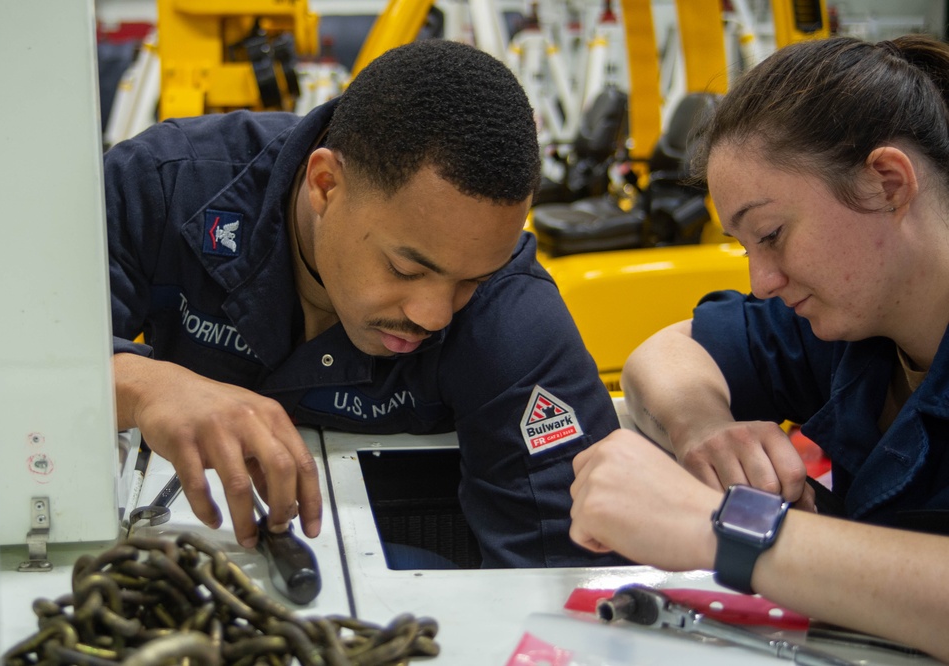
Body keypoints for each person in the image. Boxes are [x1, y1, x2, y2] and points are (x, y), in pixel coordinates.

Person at [105, 38, 624, 568]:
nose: (434, 315)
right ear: (325, 185)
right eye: (406, 268)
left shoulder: (512, 317)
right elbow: (22, 354)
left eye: (471, 280)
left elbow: (576, 573)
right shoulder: (162, 187)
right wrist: (141, 385)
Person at [570, 34, 949, 660]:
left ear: (887, 182)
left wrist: (726, 532)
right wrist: (704, 430)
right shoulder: (857, 327)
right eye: (747, 247)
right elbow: (664, 355)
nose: (761, 281)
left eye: (772, 234)